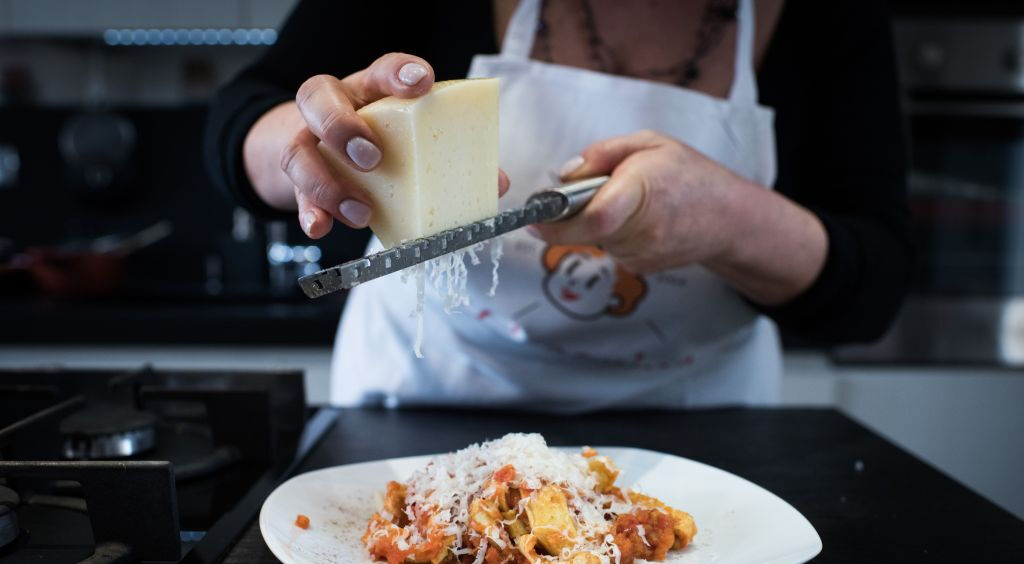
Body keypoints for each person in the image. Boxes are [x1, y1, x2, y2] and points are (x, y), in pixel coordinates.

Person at [205, 0, 912, 412]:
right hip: (422, 404)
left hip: (697, 432)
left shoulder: (832, 15)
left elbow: (874, 287)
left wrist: (728, 220)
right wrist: (305, 148)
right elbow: (240, 115)